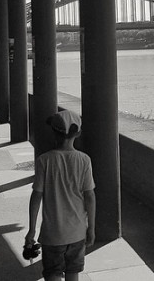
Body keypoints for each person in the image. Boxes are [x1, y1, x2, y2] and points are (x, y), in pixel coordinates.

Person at [25, 110, 96, 281]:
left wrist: (31, 230)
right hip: (77, 232)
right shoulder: (84, 160)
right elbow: (90, 197)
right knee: (73, 273)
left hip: (52, 234)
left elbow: (36, 197)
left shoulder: (44, 160)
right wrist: (91, 228)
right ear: (78, 133)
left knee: (53, 273)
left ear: (54, 132)